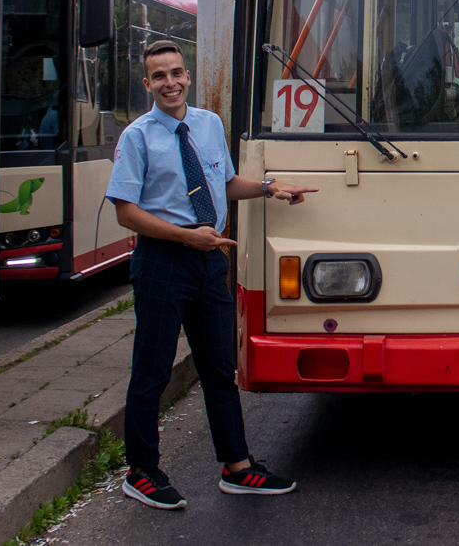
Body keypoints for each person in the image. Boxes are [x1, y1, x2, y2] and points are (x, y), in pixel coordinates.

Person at [108, 40, 319, 511]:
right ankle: (141, 471)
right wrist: (187, 239)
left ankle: (237, 468)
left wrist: (268, 188)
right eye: (159, 76)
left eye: (176, 73)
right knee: (152, 370)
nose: (170, 83)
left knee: (221, 369)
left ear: (188, 76)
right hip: (164, 260)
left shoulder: (208, 124)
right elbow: (125, 212)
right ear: (148, 84)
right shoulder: (137, 137)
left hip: (210, 261)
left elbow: (223, 185)